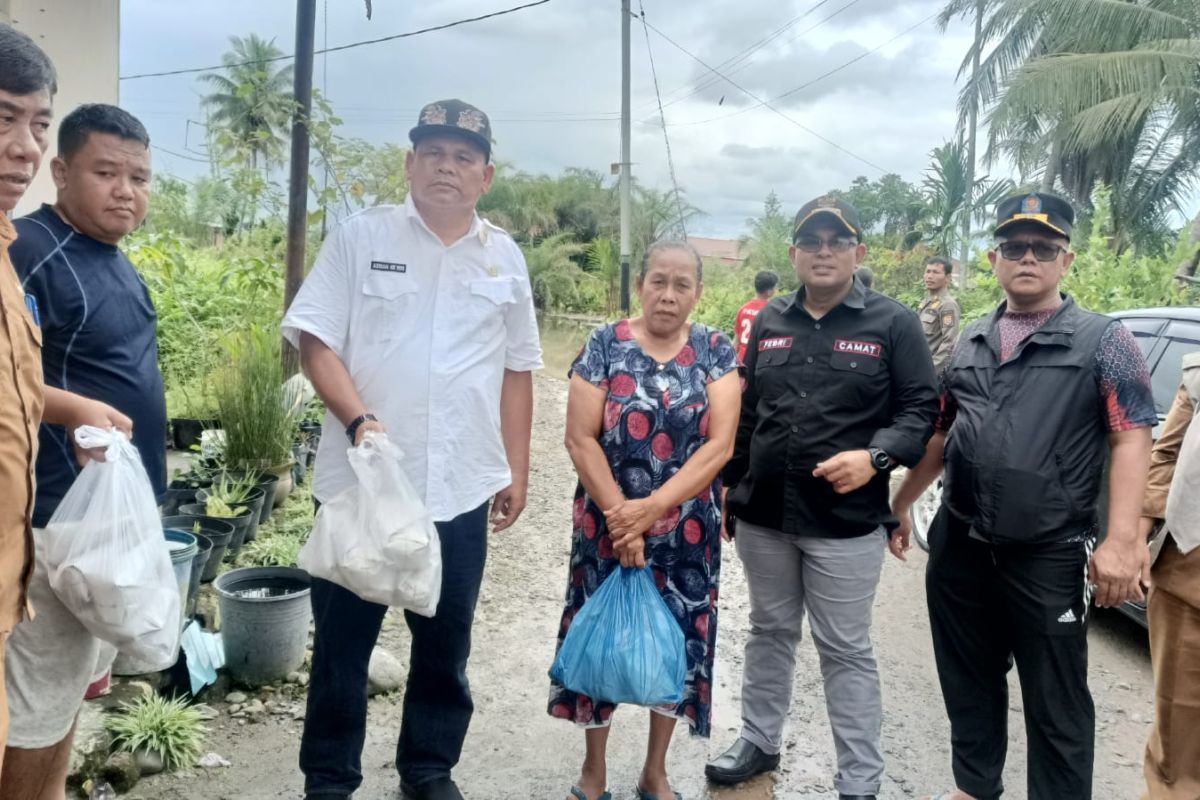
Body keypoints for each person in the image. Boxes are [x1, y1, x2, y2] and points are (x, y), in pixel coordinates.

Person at [283, 99, 542, 800]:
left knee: (444, 643)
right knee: (342, 649)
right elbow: (316, 340)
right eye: (433, 153)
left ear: (485, 175)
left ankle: (428, 769)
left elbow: (518, 370)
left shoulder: (505, 258)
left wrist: (516, 469)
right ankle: (329, 781)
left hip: (458, 486)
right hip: (362, 485)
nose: (446, 167)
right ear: (410, 163)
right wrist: (359, 418)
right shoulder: (361, 237)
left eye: (462, 157)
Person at [890, 192, 1156, 800]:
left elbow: (1131, 438)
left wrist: (1120, 540)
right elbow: (940, 433)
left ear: (1066, 261)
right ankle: (974, 786)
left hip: (1049, 551)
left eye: (1043, 247)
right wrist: (902, 502)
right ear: (993, 259)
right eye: (1015, 247)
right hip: (961, 542)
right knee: (968, 679)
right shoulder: (973, 338)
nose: (1028, 257)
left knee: (1056, 697)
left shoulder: (1103, 341)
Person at [706, 195, 939, 800]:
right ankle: (759, 740)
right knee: (769, 629)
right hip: (765, 516)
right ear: (794, 254)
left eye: (838, 241)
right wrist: (732, 485)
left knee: (844, 648)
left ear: (858, 253)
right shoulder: (772, 321)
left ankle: (859, 780)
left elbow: (922, 410)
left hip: (845, 522)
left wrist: (875, 458)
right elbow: (751, 410)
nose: (825, 251)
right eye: (812, 241)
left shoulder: (894, 323)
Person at [550, 241, 741, 800]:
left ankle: (655, 770)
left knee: (675, 643)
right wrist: (620, 520)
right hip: (605, 523)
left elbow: (720, 444)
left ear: (698, 293)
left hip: (685, 531)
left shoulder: (715, 349)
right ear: (641, 286)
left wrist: (651, 512)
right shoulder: (604, 344)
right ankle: (594, 771)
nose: (668, 294)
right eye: (659, 281)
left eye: (682, 285)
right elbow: (579, 437)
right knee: (602, 635)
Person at [3, 104, 154, 798]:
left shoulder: (110, 257)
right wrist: (73, 412)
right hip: (53, 520)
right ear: (60, 172)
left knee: (65, 692)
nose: (126, 190)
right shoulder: (33, 250)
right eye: (105, 172)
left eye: (139, 177)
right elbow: (10, 375)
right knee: (39, 699)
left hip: (96, 524)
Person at [1138, 352, 1200, 799]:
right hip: (1189, 581)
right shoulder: (1198, 375)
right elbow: (1166, 458)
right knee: (1177, 756)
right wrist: (1135, 540)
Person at [918, 256, 960, 374]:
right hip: (917, 367)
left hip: (929, 372)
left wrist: (931, 371)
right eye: (928, 271)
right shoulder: (926, 302)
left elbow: (950, 342)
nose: (930, 276)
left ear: (947, 278)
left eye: (936, 272)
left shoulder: (948, 305)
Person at [733, 270, 778, 363]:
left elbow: (736, 340)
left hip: (741, 360)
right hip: (758, 360)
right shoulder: (772, 311)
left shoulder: (743, 309)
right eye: (774, 288)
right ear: (769, 292)